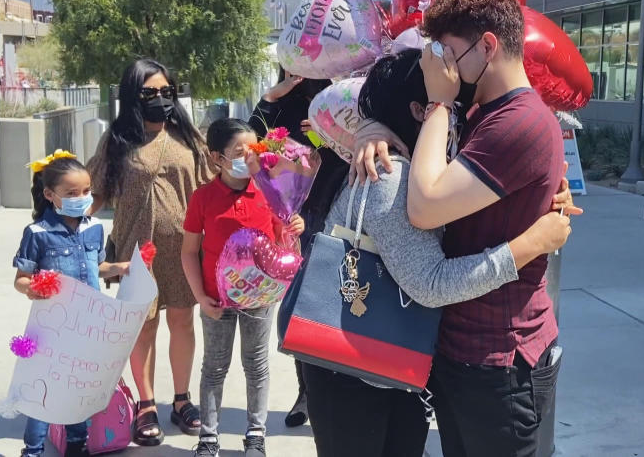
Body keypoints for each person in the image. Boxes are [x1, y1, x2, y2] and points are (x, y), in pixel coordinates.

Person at [303, 48, 572, 457]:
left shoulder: (420, 170)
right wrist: (534, 242)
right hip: (356, 373)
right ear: (419, 109)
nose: (459, 108)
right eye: (444, 97)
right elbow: (430, 283)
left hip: (382, 366)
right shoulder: (390, 178)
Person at [87, 59, 214, 446]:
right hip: (134, 254)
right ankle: (145, 404)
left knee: (182, 323)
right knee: (142, 327)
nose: (160, 99)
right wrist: (61, 227)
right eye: (149, 93)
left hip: (184, 250)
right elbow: (94, 192)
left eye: (166, 92)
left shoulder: (190, 139)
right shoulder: (116, 142)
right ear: (132, 96)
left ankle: (181, 399)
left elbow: (213, 186)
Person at [181, 119, 305, 457]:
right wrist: (200, 298)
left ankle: (255, 435)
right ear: (216, 158)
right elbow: (189, 251)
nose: (249, 159)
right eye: (239, 153)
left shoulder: (269, 192)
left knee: (257, 364)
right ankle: (208, 438)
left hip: (259, 299)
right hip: (215, 301)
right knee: (215, 366)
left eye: (255, 151)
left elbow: (284, 240)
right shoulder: (203, 198)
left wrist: (295, 225)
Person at [12, 152, 130, 457]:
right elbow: (21, 280)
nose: (82, 198)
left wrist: (120, 268)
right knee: (45, 391)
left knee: (80, 387)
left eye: (87, 191)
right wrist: (36, 288)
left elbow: (97, 267)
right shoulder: (37, 234)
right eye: (72, 193)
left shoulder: (94, 228)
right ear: (50, 195)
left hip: (88, 325)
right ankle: (33, 449)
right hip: (53, 327)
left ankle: (77, 443)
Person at [248, 69, 346, 428]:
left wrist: (324, 139)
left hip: (337, 210)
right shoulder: (282, 104)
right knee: (299, 307)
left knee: (333, 304)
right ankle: (307, 390)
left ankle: (332, 387)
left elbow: (347, 153)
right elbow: (253, 144)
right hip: (292, 218)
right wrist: (275, 95)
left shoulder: (343, 98)